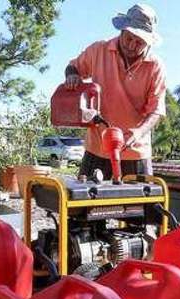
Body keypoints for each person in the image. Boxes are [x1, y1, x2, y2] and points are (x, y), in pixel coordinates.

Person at [64, 4, 166, 178]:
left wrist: (139, 132)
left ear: (148, 42)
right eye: (129, 38)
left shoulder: (155, 67)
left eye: (140, 42)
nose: (133, 45)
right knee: (84, 202)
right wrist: (72, 76)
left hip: (135, 148)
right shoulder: (98, 50)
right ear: (122, 31)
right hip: (98, 146)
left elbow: (156, 110)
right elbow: (73, 66)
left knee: (142, 202)